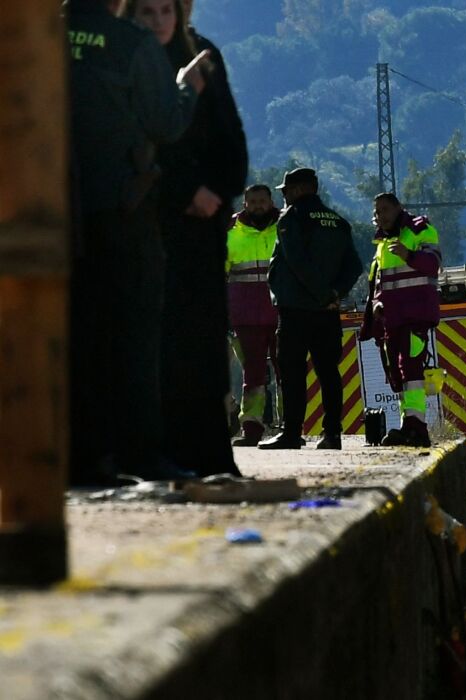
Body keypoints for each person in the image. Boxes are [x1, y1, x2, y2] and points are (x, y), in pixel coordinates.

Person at [66, 0, 207, 485]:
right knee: (132, 335)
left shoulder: (39, 38)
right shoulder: (131, 43)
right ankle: (138, 453)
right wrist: (186, 89)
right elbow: (164, 123)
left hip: (50, 211)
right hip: (121, 209)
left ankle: (79, 458)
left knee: (70, 333)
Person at [126, 0, 248, 476]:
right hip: (154, 219)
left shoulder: (205, 55)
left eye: (165, 12)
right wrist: (183, 191)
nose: (158, 23)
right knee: (159, 340)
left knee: (203, 340)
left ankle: (211, 451)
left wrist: (218, 190)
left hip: (203, 226)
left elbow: (230, 138)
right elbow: (140, 140)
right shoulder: (131, 58)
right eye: (146, 13)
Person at [259, 168, 363, 450]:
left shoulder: (292, 219)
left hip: (296, 310)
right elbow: (354, 265)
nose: (283, 197)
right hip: (327, 312)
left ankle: (292, 433)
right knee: (329, 373)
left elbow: (296, 261)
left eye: (285, 191)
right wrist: (334, 294)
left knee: (292, 373)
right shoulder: (339, 222)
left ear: (298, 190)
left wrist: (320, 294)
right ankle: (332, 434)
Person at [360, 193, 442, 447]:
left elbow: (433, 264)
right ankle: (408, 424)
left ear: (399, 209)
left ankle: (417, 427)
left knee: (411, 369)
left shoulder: (419, 229)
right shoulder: (382, 243)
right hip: (391, 319)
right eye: (377, 212)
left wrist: (409, 255)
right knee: (397, 374)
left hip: (414, 315)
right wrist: (375, 306)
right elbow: (378, 283)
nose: (381, 215)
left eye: (385, 209)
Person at [226, 185, 279, 446]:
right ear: (245, 204)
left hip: (282, 312)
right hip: (245, 315)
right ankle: (252, 428)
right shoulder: (231, 232)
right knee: (253, 375)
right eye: (253, 201)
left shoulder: (285, 226)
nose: (258, 205)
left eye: (262, 201)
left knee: (288, 373)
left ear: (271, 202)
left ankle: (292, 427)